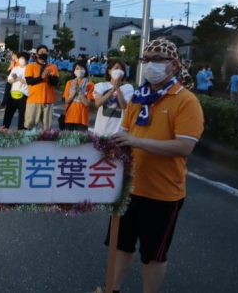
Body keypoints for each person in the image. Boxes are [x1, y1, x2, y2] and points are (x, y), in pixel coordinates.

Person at [93, 37, 204, 293]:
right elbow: (124, 136)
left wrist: (136, 141)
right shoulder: (138, 98)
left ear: (174, 65)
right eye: (146, 59)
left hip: (164, 193)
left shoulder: (186, 101)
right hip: (129, 188)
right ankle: (112, 289)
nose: (150, 64)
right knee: (121, 246)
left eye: (157, 59)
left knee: (153, 255)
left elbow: (184, 146)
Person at [92, 60, 134, 136]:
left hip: (118, 130)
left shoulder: (128, 87)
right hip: (100, 130)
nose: (119, 71)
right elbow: (98, 103)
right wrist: (112, 91)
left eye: (122, 69)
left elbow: (124, 106)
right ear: (109, 71)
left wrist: (118, 89)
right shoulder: (101, 85)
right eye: (116, 68)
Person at [24, 45, 59, 130]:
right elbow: (29, 81)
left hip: (48, 100)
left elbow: (55, 82)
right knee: (30, 125)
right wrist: (42, 77)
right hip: (34, 99)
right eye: (41, 52)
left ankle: (45, 141)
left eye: (45, 52)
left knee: (47, 127)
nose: (43, 53)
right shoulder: (30, 66)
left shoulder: (53, 67)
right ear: (37, 54)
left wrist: (50, 77)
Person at [63, 61, 95, 131]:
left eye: (81, 68)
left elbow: (86, 103)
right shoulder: (70, 83)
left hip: (82, 119)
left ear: (85, 70)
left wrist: (79, 92)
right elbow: (66, 100)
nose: (79, 70)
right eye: (77, 68)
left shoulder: (90, 84)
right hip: (70, 116)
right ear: (74, 71)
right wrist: (74, 92)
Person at [3, 51, 29, 130]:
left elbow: (28, 82)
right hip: (13, 94)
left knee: (22, 117)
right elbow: (9, 80)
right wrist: (15, 79)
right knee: (8, 115)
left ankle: (20, 133)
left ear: (27, 60)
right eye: (20, 58)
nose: (21, 60)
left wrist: (18, 78)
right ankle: (4, 131)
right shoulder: (15, 69)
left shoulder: (29, 69)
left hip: (24, 95)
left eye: (23, 58)